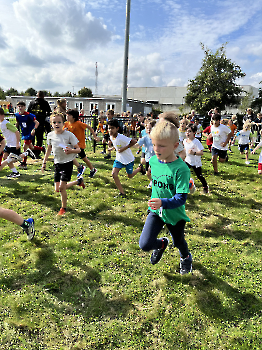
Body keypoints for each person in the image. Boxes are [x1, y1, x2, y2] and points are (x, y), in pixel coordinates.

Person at [139, 119, 192, 275]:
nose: (156, 149)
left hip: (174, 213)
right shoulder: (154, 160)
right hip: (156, 210)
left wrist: (163, 202)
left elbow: (181, 199)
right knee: (145, 244)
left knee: (178, 241)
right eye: (154, 144)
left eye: (161, 145)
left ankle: (186, 257)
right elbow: (156, 182)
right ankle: (161, 244)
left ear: (175, 146)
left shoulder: (181, 169)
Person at [41, 113, 85, 216]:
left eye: (59, 122)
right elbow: (49, 149)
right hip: (58, 163)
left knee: (61, 188)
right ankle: (78, 181)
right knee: (57, 189)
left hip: (67, 163)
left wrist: (71, 151)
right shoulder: (50, 135)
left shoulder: (69, 135)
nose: (57, 124)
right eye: (54, 122)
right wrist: (44, 162)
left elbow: (78, 149)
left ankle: (63, 208)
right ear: (51, 124)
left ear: (63, 123)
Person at [107, 118, 145, 198]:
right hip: (119, 159)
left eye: (112, 128)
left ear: (117, 128)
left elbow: (133, 142)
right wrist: (112, 148)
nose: (110, 130)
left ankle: (139, 168)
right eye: (109, 128)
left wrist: (123, 148)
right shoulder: (111, 136)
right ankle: (122, 193)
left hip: (128, 159)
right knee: (114, 174)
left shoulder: (121, 137)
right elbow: (117, 144)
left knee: (130, 176)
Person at [64, 109, 99, 178]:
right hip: (71, 144)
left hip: (79, 145)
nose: (67, 116)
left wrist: (95, 136)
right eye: (67, 115)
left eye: (69, 115)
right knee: (67, 154)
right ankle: (80, 167)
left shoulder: (79, 124)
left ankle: (92, 169)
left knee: (84, 158)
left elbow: (89, 127)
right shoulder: (66, 124)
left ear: (74, 117)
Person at [183, 124, 209, 193]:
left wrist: (194, 153)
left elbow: (201, 152)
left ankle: (205, 186)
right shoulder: (185, 141)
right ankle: (186, 186)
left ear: (194, 132)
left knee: (199, 175)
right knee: (183, 173)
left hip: (195, 162)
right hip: (187, 161)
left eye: (190, 131)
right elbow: (185, 149)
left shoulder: (196, 141)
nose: (187, 133)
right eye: (187, 131)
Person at [15, 101, 40, 169]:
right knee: (31, 147)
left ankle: (24, 163)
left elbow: (37, 123)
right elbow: (17, 123)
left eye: (22, 106)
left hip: (30, 133)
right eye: (19, 106)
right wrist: (15, 129)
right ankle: (42, 148)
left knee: (25, 147)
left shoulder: (29, 115)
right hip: (24, 132)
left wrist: (34, 129)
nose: (20, 108)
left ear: (25, 107)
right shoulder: (17, 115)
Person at [136, 120, 156, 188]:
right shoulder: (145, 137)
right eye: (147, 128)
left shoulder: (157, 138)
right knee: (148, 173)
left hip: (156, 158)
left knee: (152, 171)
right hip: (148, 157)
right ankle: (152, 181)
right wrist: (128, 144)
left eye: (150, 128)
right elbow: (137, 144)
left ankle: (157, 184)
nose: (148, 130)